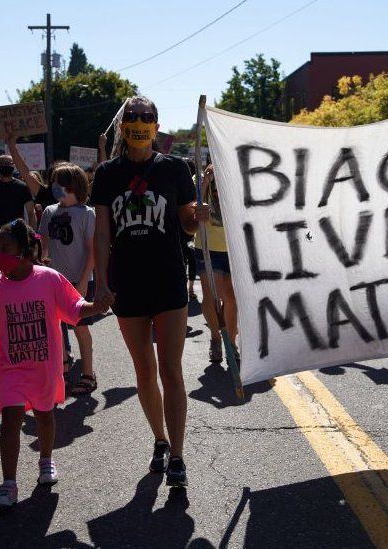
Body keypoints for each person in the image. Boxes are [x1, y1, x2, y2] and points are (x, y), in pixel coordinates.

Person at [91, 95, 207, 488]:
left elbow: (188, 226)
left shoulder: (176, 169)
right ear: (123, 124)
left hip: (168, 278)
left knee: (171, 369)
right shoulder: (107, 174)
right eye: (133, 117)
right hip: (127, 285)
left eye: (147, 117)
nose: (140, 123)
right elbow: (103, 232)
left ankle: (177, 454)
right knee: (144, 369)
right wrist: (102, 282)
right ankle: (158, 438)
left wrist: (198, 217)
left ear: (157, 125)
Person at [0, 219, 109, 508]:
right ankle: (8, 483)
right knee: (10, 421)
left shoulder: (48, 279)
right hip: (10, 369)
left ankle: (46, 460)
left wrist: (96, 307)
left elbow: (73, 308)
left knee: (45, 417)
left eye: (6, 248)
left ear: (24, 250)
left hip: (45, 369)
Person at [39, 162, 99, 395]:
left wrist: (84, 281)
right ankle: (63, 368)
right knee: (55, 326)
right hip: (52, 280)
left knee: (80, 327)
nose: (56, 187)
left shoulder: (87, 214)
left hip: (78, 280)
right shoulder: (49, 212)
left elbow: (92, 250)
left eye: (60, 183)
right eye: (54, 182)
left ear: (74, 186)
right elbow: (43, 243)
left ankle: (87, 373)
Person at [194, 164, 238, 363]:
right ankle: (215, 337)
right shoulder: (200, 177)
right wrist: (205, 183)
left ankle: (231, 342)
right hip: (208, 246)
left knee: (231, 298)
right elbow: (193, 207)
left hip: (234, 246)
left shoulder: (235, 175)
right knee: (210, 297)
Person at [0, 153, 37, 271]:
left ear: (13, 166)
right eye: (2, 163)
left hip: (18, 235)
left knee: (18, 270)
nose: (5, 166)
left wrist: (31, 236)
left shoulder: (22, 187)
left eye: (8, 163)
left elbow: (31, 213)